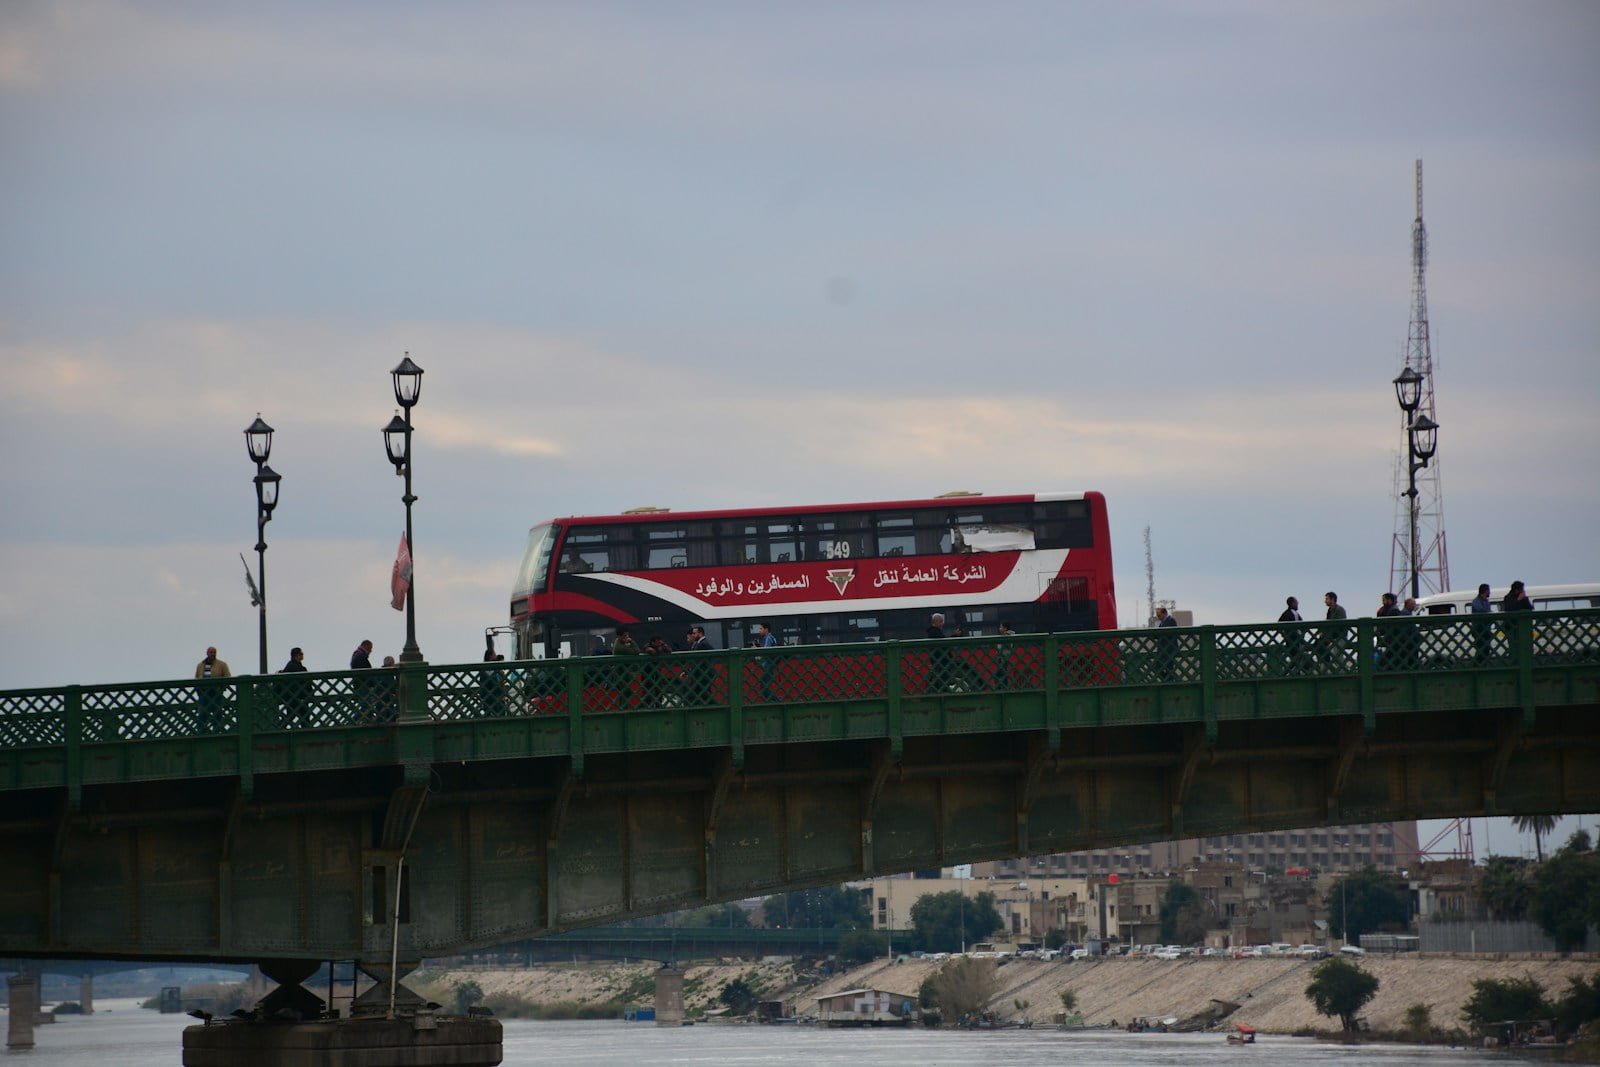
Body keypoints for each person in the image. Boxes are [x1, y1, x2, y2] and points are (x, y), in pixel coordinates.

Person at [194, 646, 232, 733]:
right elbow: (196, 678)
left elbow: (228, 676)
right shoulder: (200, 665)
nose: (213, 654)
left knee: (217, 713)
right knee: (202, 714)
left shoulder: (222, 664)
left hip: (216, 692)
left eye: (214, 652)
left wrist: (222, 687)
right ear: (207, 653)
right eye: (211, 652)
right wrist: (198, 690)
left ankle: (217, 731)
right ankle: (201, 732)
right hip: (204, 693)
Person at [277, 647, 310, 728]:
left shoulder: (292, 665)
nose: (302, 656)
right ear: (296, 655)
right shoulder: (294, 666)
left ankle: (280, 728)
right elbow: (299, 682)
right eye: (301, 654)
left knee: (292, 715)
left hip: (293, 696)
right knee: (300, 714)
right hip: (295, 696)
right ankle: (306, 732)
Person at [1318, 592, 1349, 672]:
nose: (1325, 601)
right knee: (1321, 649)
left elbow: (1339, 627)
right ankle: (1324, 670)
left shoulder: (1339, 610)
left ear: (1332, 599)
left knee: (1337, 657)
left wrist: (1330, 640)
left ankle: (1343, 674)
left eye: (1327, 599)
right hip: (1332, 638)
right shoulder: (1330, 610)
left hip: (1339, 637)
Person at [612, 628, 642, 707]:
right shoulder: (620, 648)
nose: (627, 637)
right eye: (625, 636)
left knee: (625, 692)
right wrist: (632, 641)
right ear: (619, 636)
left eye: (628, 635)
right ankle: (623, 709)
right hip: (621, 673)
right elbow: (637, 651)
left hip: (623, 672)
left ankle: (623, 708)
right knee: (625, 692)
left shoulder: (617, 642)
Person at [1469, 583, 1495, 665]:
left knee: (1486, 650)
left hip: (1486, 630)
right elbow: (1481, 611)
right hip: (1479, 629)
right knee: (1481, 650)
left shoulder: (1486, 601)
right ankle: (1477, 666)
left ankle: (1482, 665)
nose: (1489, 592)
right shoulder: (1476, 601)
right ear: (1485, 591)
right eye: (1488, 591)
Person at [1375, 593, 1403, 670]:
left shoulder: (1393, 611)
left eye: (1384, 600)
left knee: (1387, 659)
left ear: (1389, 600)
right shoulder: (1390, 610)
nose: (1383, 602)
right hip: (1389, 639)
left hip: (1390, 639)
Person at [350, 639, 376, 722]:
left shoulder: (357, 654)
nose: (371, 650)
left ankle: (369, 721)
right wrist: (372, 682)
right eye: (370, 648)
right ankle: (353, 722)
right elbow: (364, 672)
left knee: (366, 705)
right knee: (366, 706)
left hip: (359, 684)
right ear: (365, 646)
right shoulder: (360, 656)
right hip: (363, 684)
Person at [642, 636, 673, 706]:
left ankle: (658, 705)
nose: (659, 643)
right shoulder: (647, 646)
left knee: (659, 690)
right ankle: (648, 706)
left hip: (657, 671)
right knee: (647, 691)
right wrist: (655, 650)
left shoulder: (662, 646)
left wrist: (662, 645)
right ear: (653, 642)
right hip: (647, 672)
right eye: (657, 642)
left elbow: (669, 650)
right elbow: (650, 651)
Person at [754, 621, 779, 701]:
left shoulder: (768, 638)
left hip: (769, 665)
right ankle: (773, 701)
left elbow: (764, 651)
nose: (759, 631)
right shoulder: (769, 637)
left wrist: (755, 648)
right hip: (770, 664)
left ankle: (775, 702)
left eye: (761, 628)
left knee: (764, 686)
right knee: (764, 685)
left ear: (766, 629)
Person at [1153, 607, 1178, 682]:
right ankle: (1167, 680)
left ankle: (1169, 681)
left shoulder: (1171, 620)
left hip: (1169, 649)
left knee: (1168, 667)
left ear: (1164, 613)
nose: (1158, 617)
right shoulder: (1162, 622)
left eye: (1159, 615)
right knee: (1158, 666)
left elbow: (1172, 634)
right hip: (1164, 650)